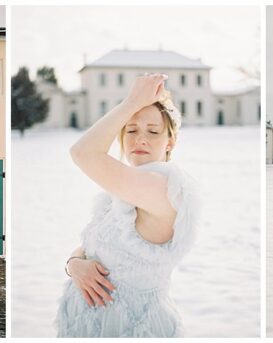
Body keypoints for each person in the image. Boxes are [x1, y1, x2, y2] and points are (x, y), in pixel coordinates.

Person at [56, 74, 201, 337]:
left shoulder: (164, 188)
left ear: (170, 142)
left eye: (153, 131)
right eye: (131, 130)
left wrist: (131, 102)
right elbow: (94, 245)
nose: (140, 139)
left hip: (132, 329)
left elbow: (82, 153)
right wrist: (74, 264)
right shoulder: (121, 193)